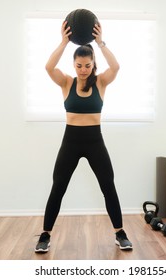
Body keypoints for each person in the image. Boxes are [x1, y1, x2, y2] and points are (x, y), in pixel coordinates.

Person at [35, 21, 133, 253]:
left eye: (87, 65)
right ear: (74, 64)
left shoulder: (100, 82)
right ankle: (45, 235)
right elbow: (48, 67)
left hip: (94, 141)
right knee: (58, 186)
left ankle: (120, 232)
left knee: (108, 185)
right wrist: (63, 42)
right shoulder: (66, 82)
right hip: (70, 141)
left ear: (93, 64)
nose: (83, 69)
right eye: (79, 65)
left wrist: (100, 43)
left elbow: (116, 66)